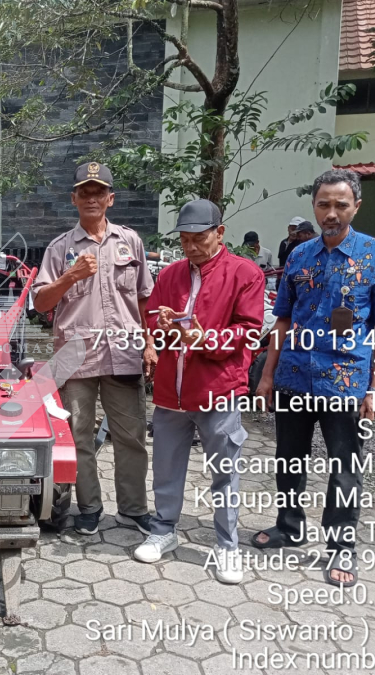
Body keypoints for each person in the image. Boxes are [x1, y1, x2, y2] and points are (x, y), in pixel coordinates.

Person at [252, 169, 375, 587]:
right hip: (295, 376)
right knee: (289, 458)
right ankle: (289, 526)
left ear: (356, 206)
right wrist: (267, 376)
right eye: (324, 204)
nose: (331, 213)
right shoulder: (299, 255)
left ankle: (340, 547)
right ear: (314, 206)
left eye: (340, 204)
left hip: (346, 381)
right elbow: (283, 319)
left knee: (345, 467)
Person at [135, 199, 264, 584]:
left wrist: (206, 338)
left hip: (217, 389)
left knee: (224, 471)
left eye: (199, 238)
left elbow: (249, 331)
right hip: (171, 392)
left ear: (219, 233)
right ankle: (163, 530)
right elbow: (153, 318)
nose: (191, 247)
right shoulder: (170, 274)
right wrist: (161, 327)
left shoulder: (245, 273)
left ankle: (227, 545)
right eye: (185, 240)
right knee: (166, 465)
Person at [32, 162, 155, 536]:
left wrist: (150, 343)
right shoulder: (60, 248)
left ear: (110, 199)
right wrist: (70, 276)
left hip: (124, 350)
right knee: (78, 436)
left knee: (131, 437)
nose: (91, 198)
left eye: (98, 192)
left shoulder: (130, 242)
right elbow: (40, 303)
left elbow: (145, 297)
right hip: (76, 355)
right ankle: (89, 508)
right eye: (84, 192)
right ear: (73, 199)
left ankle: (133, 509)